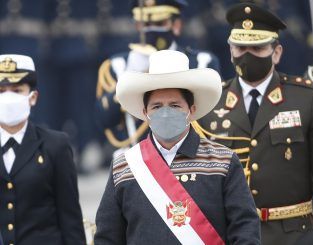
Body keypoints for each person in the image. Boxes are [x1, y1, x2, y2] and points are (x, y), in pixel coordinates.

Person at [94, 50, 260, 244]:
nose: (165, 113)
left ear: (192, 110)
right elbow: (107, 237)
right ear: (144, 112)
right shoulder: (124, 166)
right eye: (156, 106)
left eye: (174, 106)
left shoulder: (223, 162)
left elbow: (245, 230)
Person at [196, 2, 313, 245]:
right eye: (240, 47)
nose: (247, 54)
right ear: (230, 50)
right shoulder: (211, 103)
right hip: (232, 235)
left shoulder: (307, 97)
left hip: (296, 235)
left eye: (257, 47)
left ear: (276, 53)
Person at [94, 0, 221, 160]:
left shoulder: (201, 62)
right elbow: (104, 119)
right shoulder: (120, 65)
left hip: (190, 158)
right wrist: (132, 77)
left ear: (176, 25)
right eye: (145, 23)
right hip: (139, 162)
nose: (150, 29)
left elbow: (213, 115)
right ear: (138, 26)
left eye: (159, 22)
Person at [0, 54, 86, 244]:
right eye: (1, 90)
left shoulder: (55, 145)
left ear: (33, 97)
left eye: (16, 90)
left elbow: (70, 219)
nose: (7, 97)